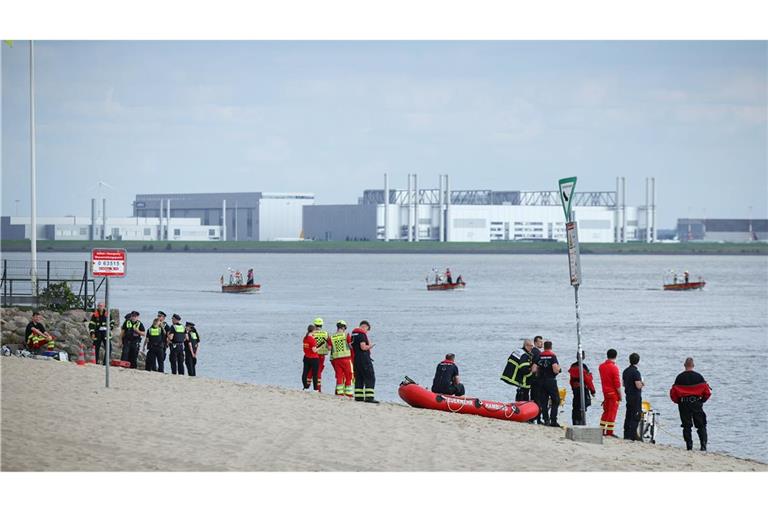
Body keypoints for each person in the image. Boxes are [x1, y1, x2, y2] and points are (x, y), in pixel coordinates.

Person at [670, 357, 711, 451]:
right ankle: (703, 446)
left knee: (686, 426)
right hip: (696, 402)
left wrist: (678, 401)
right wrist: (702, 400)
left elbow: (673, 393)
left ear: (684, 365)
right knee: (701, 425)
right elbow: (707, 392)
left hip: (683, 403)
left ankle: (689, 446)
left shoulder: (679, 377)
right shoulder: (699, 377)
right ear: (693, 365)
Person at [536, 340, 561, 427]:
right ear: (551, 347)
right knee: (556, 400)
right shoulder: (552, 356)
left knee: (544, 401)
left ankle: (546, 419)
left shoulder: (539, 355)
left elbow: (534, 369)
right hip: (550, 380)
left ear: (544, 347)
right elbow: (555, 369)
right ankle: (553, 420)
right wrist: (558, 369)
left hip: (541, 381)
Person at [351, 320, 378, 403]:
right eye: (367, 329)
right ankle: (369, 397)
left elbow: (351, 346)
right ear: (365, 327)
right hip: (364, 359)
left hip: (356, 359)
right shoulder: (362, 334)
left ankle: (358, 397)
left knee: (359, 378)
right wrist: (370, 346)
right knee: (370, 377)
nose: (367, 331)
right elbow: (363, 347)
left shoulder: (353, 334)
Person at [598, 349, 622, 437]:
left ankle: (601, 430)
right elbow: (617, 384)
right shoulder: (614, 368)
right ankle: (609, 432)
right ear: (616, 356)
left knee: (606, 411)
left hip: (605, 392)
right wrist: (620, 396)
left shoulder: (601, 366)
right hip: (613, 393)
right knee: (612, 413)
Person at [569, 351, 596, 426]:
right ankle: (581, 421)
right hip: (582, 388)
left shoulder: (572, 366)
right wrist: (592, 391)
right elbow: (588, 380)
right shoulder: (583, 367)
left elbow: (571, 380)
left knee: (575, 405)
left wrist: (573, 388)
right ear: (583, 357)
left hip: (575, 388)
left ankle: (575, 421)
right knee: (583, 404)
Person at [622, 352, 644, 441]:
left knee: (628, 414)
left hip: (628, 395)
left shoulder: (625, 371)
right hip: (635, 396)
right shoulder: (636, 372)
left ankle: (626, 434)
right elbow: (638, 385)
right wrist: (642, 384)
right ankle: (633, 434)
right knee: (636, 415)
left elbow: (623, 384)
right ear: (638, 361)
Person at [329, 320, 354, 397]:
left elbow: (329, 348)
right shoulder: (346, 335)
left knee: (339, 376)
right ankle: (349, 394)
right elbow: (351, 346)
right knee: (349, 376)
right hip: (346, 358)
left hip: (336, 359)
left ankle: (340, 393)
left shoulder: (331, 337)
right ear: (343, 327)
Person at [529, 336, 544, 423]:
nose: (541, 343)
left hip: (531, 379)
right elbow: (535, 366)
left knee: (533, 398)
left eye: (542, 342)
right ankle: (537, 418)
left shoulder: (532, 351)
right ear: (535, 343)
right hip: (536, 379)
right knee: (537, 399)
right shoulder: (537, 352)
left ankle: (532, 417)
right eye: (539, 342)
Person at [302, 324, 320, 391]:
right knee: (315, 374)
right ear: (313, 331)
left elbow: (306, 348)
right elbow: (314, 350)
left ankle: (305, 387)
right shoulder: (312, 339)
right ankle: (315, 389)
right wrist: (320, 347)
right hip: (314, 359)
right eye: (315, 331)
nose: (315, 332)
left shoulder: (305, 338)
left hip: (306, 357)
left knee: (305, 373)